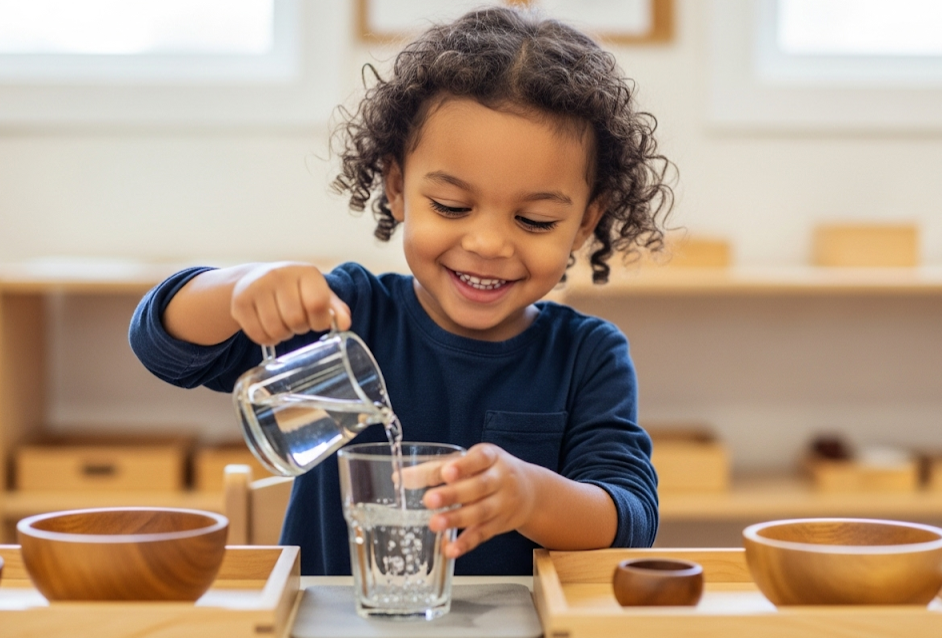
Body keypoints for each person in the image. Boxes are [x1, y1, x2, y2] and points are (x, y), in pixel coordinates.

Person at [129, 5, 673, 576]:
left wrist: (533, 497)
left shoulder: (585, 356)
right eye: (452, 207)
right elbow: (162, 346)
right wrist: (239, 287)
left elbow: (631, 518)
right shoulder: (346, 315)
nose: (488, 243)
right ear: (397, 189)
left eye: (534, 220)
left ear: (585, 223)